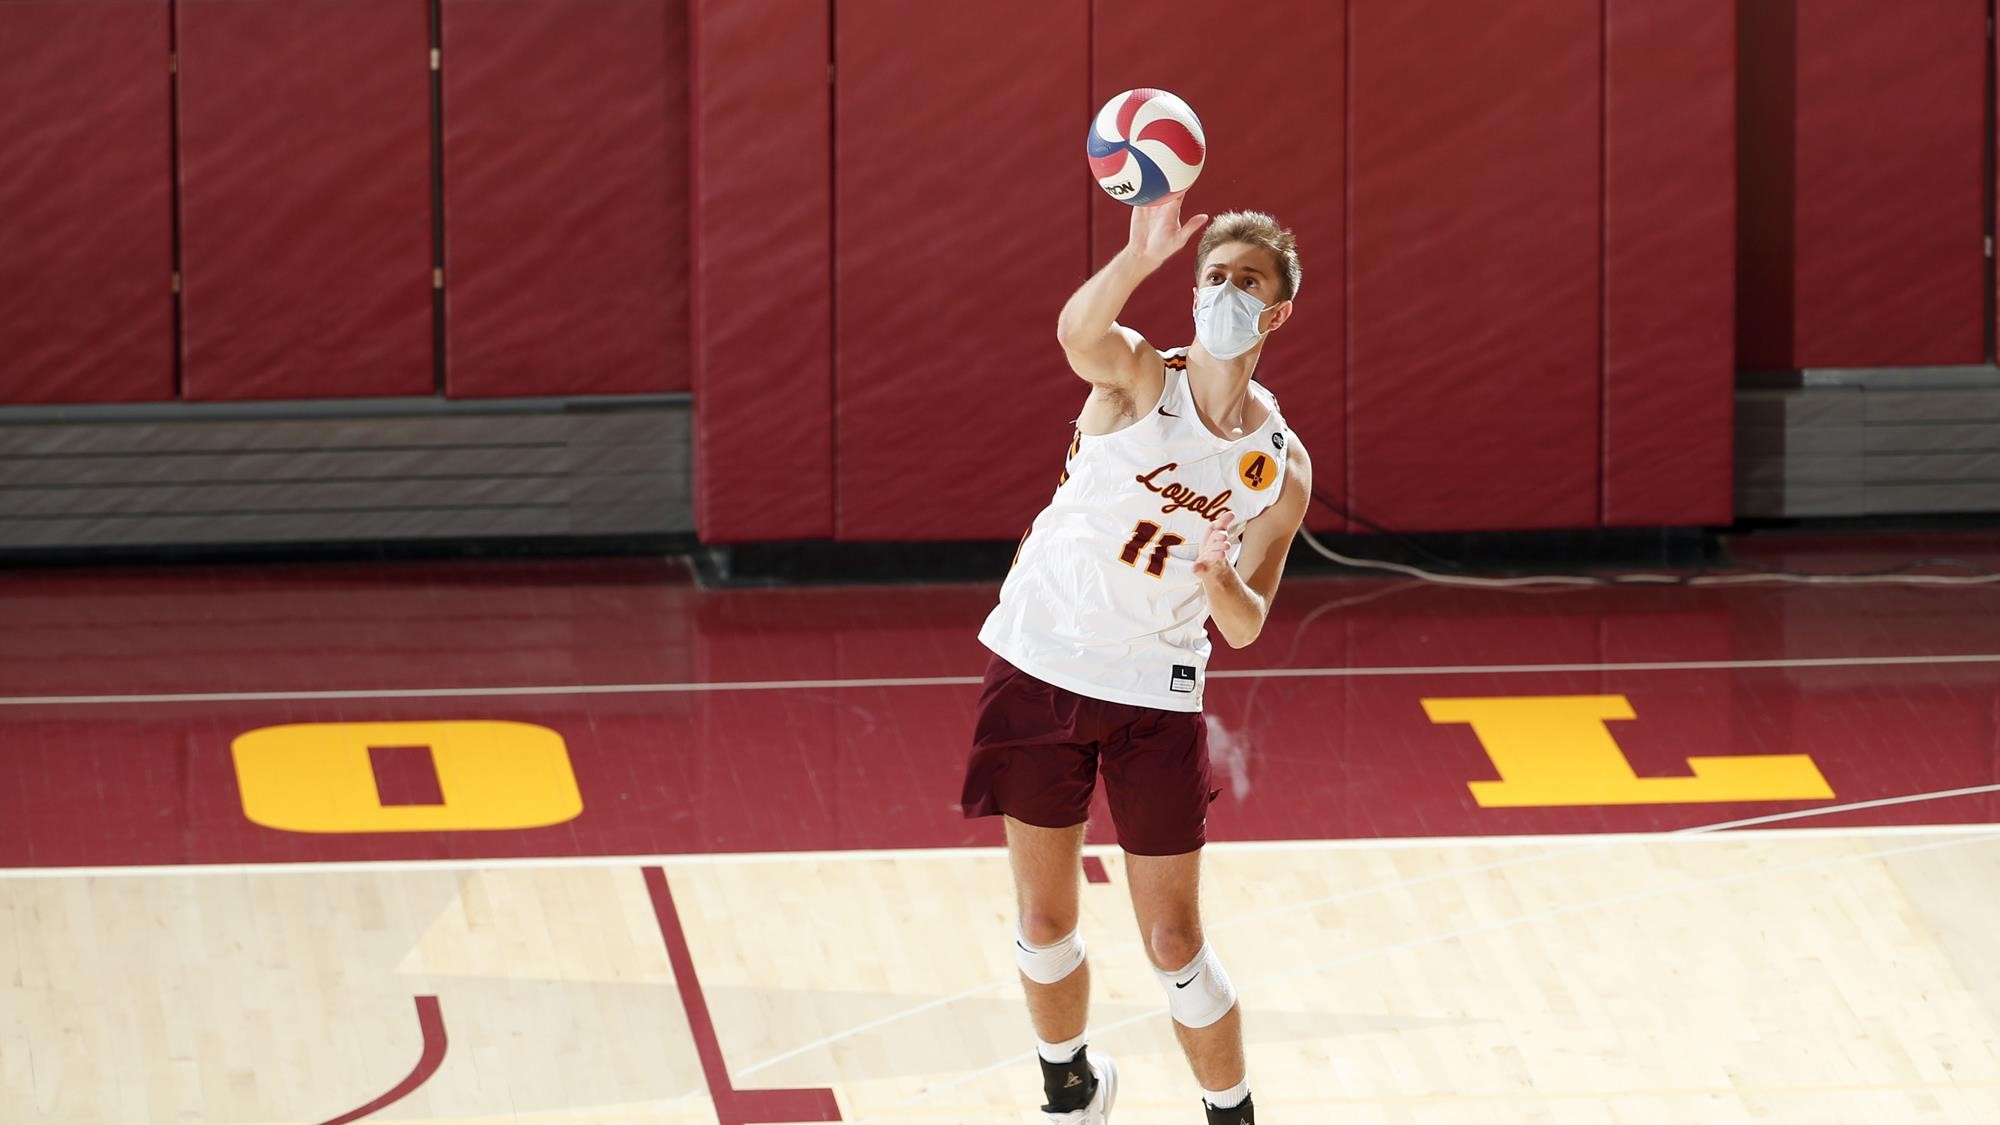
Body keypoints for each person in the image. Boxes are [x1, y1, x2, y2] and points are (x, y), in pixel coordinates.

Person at [960, 192, 1312, 1125]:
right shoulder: (1138, 380)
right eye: (1215, 277)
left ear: (1276, 312)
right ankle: (1071, 1094)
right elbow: (1080, 333)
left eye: (1248, 282)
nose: (1227, 292)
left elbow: (1244, 623)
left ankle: (1230, 1112)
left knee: (1173, 939)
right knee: (1043, 919)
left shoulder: (1280, 464)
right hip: (1042, 659)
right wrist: (1138, 257)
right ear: (1191, 292)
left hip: (1154, 689)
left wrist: (1217, 574)